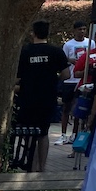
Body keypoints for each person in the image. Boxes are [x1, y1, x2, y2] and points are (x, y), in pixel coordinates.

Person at [15, 20, 70, 172]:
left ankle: (31, 166)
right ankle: (42, 168)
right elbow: (66, 74)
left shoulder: (25, 51)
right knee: (43, 133)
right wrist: (52, 81)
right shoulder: (56, 51)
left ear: (33, 33)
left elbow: (16, 77)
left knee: (29, 133)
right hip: (47, 97)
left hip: (27, 98)